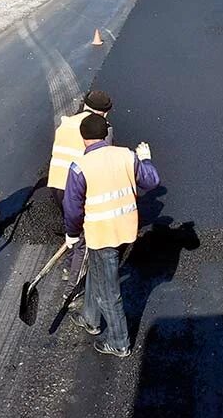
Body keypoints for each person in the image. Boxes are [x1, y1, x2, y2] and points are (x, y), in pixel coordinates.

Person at [63, 114, 160, 357]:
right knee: (96, 272)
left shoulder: (79, 167)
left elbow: (72, 207)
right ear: (105, 135)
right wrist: (146, 159)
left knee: (108, 291)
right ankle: (90, 318)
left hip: (101, 233)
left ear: (83, 138)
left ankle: (119, 342)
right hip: (125, 228)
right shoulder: (126, 155)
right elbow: (151, 181)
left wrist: (71, 234)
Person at [48, 90, 113, 288]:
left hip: (57, 184)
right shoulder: (102, 128)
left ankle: (70, 263)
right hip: (77, 187)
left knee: (73, 228)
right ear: (104, 113)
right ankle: (73, 287)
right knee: (85, 237)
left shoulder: (66, 123)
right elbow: (103, 160)